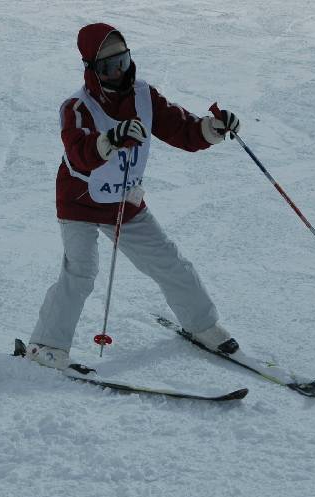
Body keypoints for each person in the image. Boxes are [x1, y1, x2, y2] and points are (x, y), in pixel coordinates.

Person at [27, 22, 242, 370]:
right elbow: (79, 152)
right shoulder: (76, 107)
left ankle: (203, 326)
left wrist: (212, 129)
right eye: (107, 67)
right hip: (80, 202)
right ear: (91, 69)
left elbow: (182, 129)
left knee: (168, 261)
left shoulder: (144, 96)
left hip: (124, 201)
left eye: (123, 62)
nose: (118, 73)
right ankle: (46, 345)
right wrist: (111, 139)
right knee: (81, 272)